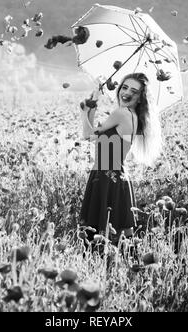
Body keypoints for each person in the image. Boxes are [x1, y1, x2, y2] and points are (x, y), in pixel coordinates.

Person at [79, 72, 162, 245]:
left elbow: (87, 134)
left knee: (98, 239)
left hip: (105, 178)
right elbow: (94, 134)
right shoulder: (132, 116)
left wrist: (83, 112)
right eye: (124, 87)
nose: (127, 93)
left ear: (140, 98)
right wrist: (95, 99)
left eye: (134, 91)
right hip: (115, 176)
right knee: (116, 241)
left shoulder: (121, 114)